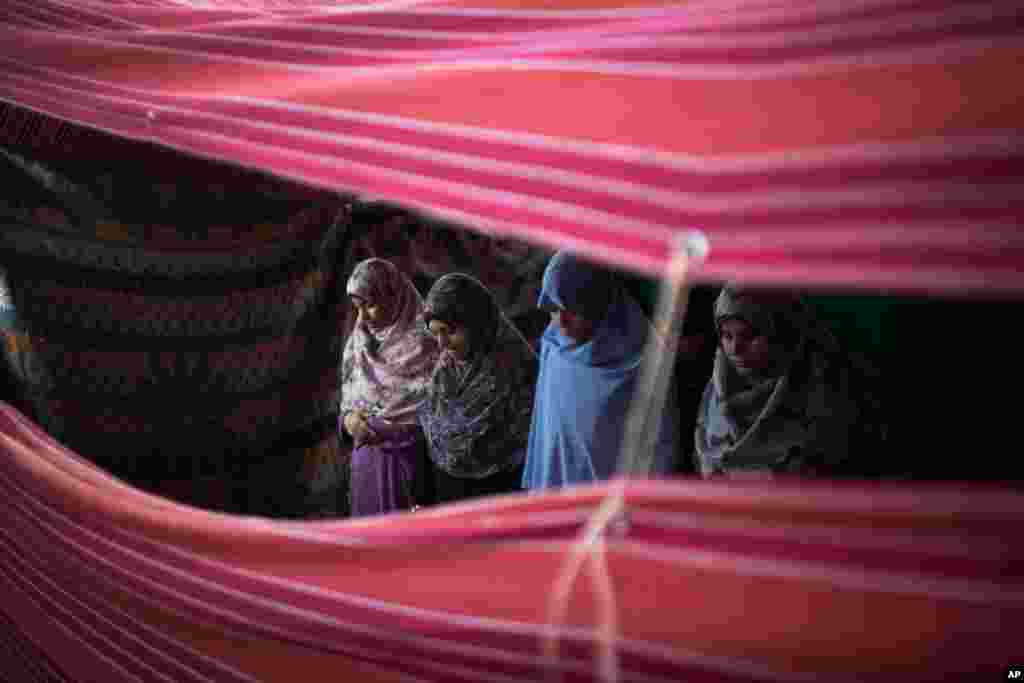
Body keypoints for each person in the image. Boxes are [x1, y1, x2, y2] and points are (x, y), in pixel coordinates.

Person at [522, 251, 680, 490]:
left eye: (573, 310)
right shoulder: (554, 349)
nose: (560, 322)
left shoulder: (644, 364)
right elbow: (545, 438)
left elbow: (657, 451)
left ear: (600, 304)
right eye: (554, 309)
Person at [694, 282, 887, 478]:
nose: (735, 349)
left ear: (781, 333)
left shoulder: (826, 392)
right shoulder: (718, 387)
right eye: (727, 336)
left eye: (750, 335)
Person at [418, 274, 539, 504]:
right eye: (435, 333)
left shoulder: (517, 372)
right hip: (450, 502)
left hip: (503, 501)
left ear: (478, 325)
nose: (442, 343)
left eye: (450, 331)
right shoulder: (443, 372)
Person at [340, 258, 439, 516]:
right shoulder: (357, 344)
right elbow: (348, 404)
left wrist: (379, 429)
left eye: (370, 306)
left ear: (392, 297)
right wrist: (349, 421)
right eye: (356, 307)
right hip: (366, 467)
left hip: (406, 468)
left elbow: (438, 417)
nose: (361, 318)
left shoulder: (424, 347)